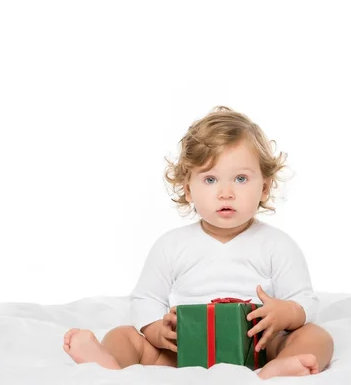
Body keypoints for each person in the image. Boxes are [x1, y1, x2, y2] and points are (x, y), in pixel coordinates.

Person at [63, 106, 334, 379]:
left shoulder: (277, 245)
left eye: (241, 179)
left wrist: (286, 312)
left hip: (259, 348)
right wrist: (156, 329)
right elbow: (146, 297)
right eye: (210, 179)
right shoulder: (172, 245)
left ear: (264, 187)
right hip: (184, 351)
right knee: (123, 335)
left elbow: (304, 299)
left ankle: (279, 368)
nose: (226, 193)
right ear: (188, 189)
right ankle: (107, 364)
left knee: (316, 336)